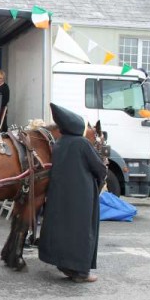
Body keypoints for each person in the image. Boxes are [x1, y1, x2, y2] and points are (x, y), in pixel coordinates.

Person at [38, 103, 107, 283]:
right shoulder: (82, 143)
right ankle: (81, 272)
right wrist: (101, 176)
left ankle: (65, 265)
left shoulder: (59, 143)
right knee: (81, 231)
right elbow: (99, 168)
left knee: (64, 230)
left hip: (61, 195)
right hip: (82, 196)